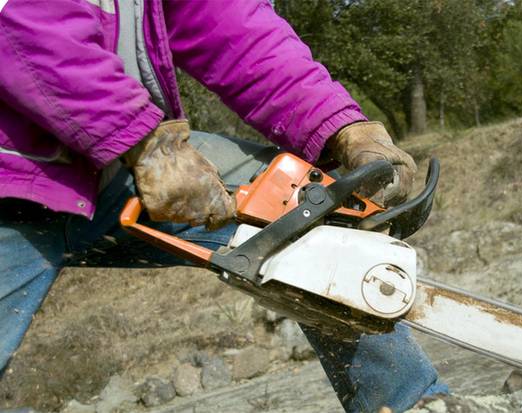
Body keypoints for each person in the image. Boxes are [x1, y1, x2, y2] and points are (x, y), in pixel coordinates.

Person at [0, 1, 447, 411]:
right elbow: (22, 24)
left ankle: (410, 403)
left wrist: (339, 125)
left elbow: (230, 23)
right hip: (16, 179)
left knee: (306, 211)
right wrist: (139, 139)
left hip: (112, 166)